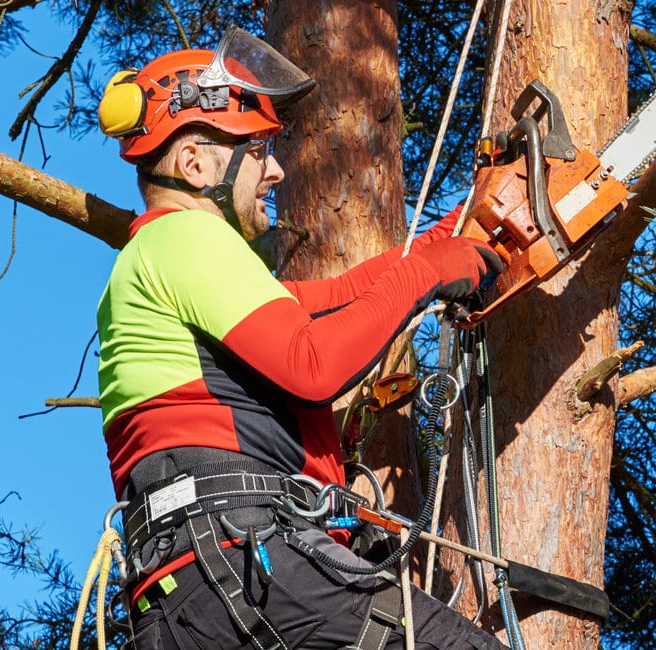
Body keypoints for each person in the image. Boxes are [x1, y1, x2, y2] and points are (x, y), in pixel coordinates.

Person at [93, 29, 508, 650]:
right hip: (240, 560)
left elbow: (342, 295)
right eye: (258, 149)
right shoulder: (182, 238)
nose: (277, 169)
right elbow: (312, 362)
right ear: (196, 163)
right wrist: (426, 273)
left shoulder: (168, 265)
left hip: (199, 593)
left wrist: (454, 234)